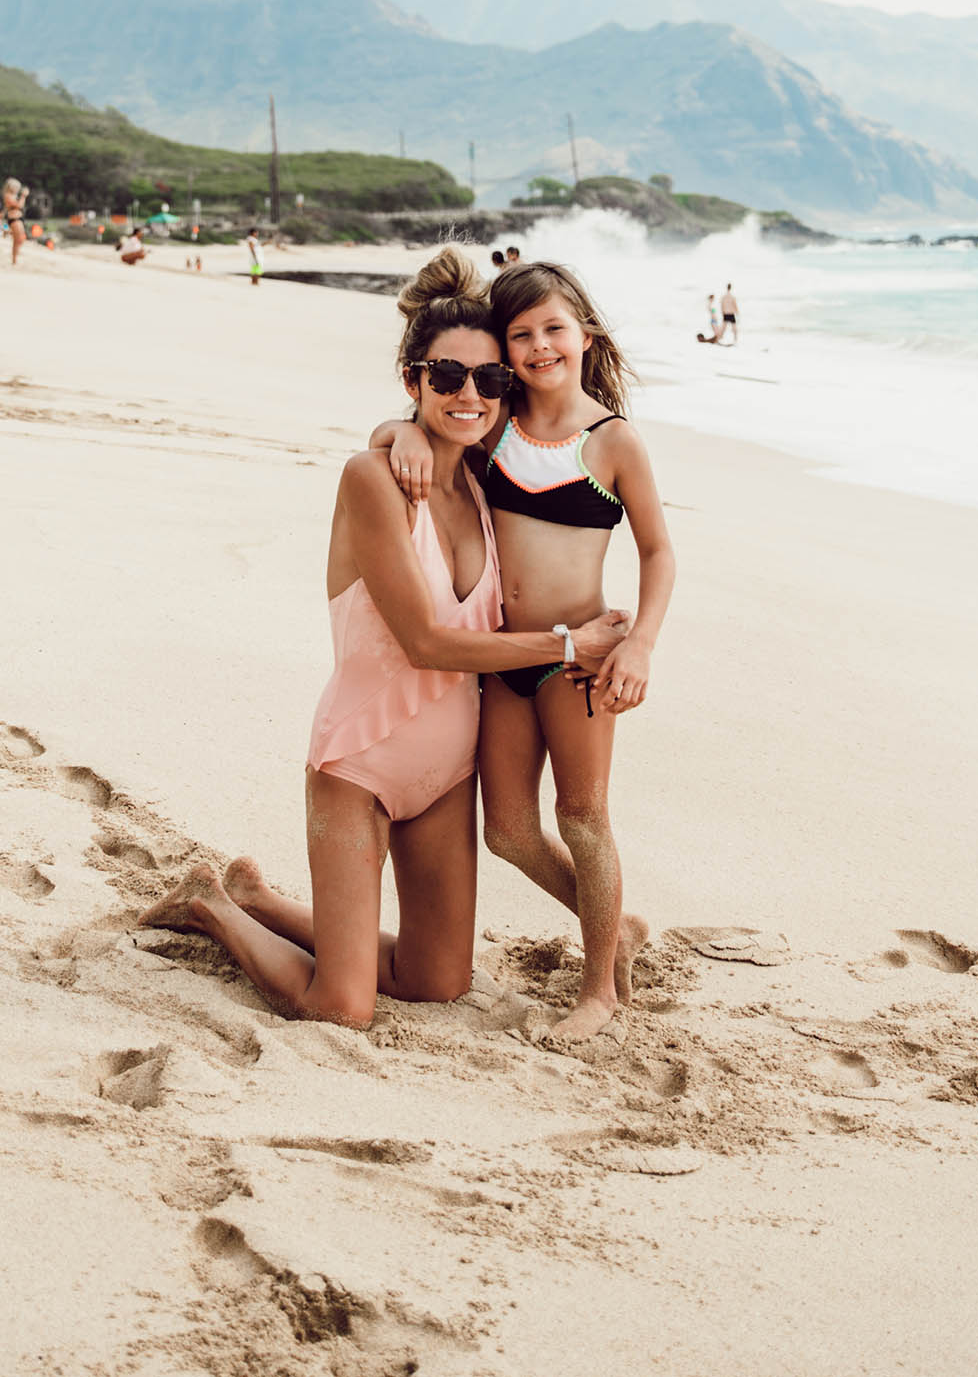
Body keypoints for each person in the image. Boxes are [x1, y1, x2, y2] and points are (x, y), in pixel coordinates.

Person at [136, 249, 629, 1029]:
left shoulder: (486, 477)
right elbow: (427, 644)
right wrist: (570, 646)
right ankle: (211, 906)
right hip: (360, 763)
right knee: (343, 1006)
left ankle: (258, 897)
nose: (470, 394)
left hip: (447, 774)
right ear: (413, 380)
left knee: (437, 982)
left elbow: (562, 468)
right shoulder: (372, 480)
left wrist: (406, 427)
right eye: (447, 377)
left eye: (490, 379)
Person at [374, 259, 676, 1043]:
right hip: (508, 656)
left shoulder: (612, 441)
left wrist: (640, 646)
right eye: (522, 334)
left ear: (586, 335)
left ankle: (598, 990)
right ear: (504, 350)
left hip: (582, 661)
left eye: (554, 329)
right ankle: (614, 926)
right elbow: (421, 421)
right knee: (507, 831)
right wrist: (398, 430)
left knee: (582, 817)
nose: (541, 346)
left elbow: (658, 553)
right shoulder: (496, 424)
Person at [2, 178, 29, 265]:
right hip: (14, 219)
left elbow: (21, 205)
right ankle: (14, 260)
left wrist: (22, 197)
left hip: (19, 218)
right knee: (17, 239)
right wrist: (23, 196)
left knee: (21, 239)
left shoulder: (14, 196)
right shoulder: (8, 195)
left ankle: (15, 257)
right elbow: (19, 205)